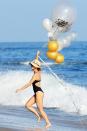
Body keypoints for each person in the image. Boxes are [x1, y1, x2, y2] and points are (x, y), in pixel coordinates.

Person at [16, 51, 51, 129]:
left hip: (39, 93)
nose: (31, 67)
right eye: (32, 65)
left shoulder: (36, 75)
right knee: (27, 105)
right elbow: (37, 62)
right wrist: (37, 56)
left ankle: (48, 123)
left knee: (41, 109)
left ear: (36, 67)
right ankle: (38, 116)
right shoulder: (39, 71)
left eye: (32, 66)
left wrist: (20, 89)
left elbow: (29, 84)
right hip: (37, 93)